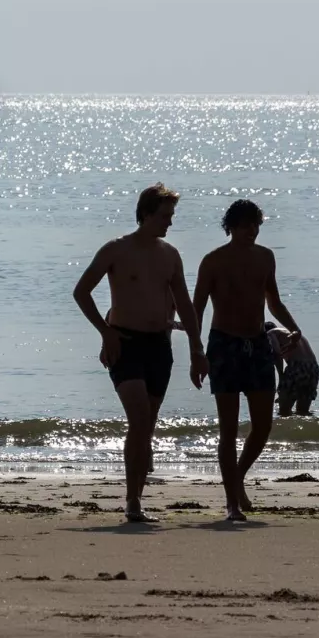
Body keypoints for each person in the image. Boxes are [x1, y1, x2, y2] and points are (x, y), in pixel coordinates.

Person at [73, 183, 207, 523]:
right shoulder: (116, 250)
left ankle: (137, 490)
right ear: (145, 214)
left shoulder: (170, 255)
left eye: (171, 216)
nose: (169, 223)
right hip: (125, 342)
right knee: (139, 419)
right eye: (164, 216)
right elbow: (81, 292)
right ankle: (132, 501)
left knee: (147, 426)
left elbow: (186, 307)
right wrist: (105, 333)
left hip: (158, 346)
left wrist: (196, 349)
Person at [193, 199, 304, 521]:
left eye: (256, 225)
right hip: (223, 345)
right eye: (245, 226)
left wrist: (295, 330)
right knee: (228, 430)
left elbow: (274, 301)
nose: (251, 232)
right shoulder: (213, 261)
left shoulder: (265, 257)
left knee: (263, 424)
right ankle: (231, 504)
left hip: (257, 344)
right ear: (231, 227)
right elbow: (197, 308)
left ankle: (237, 477)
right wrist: (196, 353)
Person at [267, 321, 319, 416]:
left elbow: (277, 353)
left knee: (284, 411)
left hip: (296, 365)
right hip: (313, 367)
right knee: (303, 412)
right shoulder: (292, 333)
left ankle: (284, 430)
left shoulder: (270, 333)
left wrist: (281, 377)